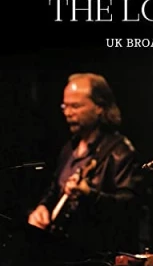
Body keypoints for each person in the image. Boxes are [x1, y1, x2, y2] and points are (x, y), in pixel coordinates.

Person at [28, 73, 145, 256]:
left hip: (100, 258)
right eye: (65, 106)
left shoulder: (120, 151)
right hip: (65, 253)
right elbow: (54, 189)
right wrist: (42, 207)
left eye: (75, 106)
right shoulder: (70, 148)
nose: (68, 113)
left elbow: (129, 208)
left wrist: (90, 195)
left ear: (99, 107)